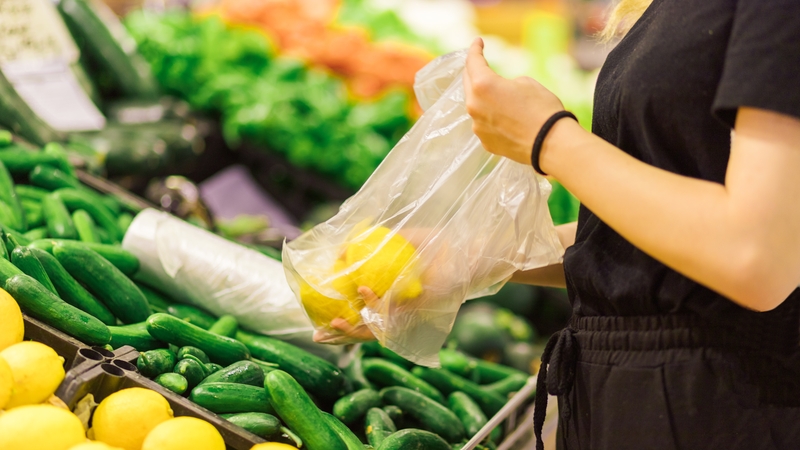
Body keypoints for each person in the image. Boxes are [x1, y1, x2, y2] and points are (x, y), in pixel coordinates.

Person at [463, 0, 800, 448]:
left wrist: (548, 138)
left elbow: (757, 253)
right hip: (638, 399)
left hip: (714, 407)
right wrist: (461, 259)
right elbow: (653, 242)